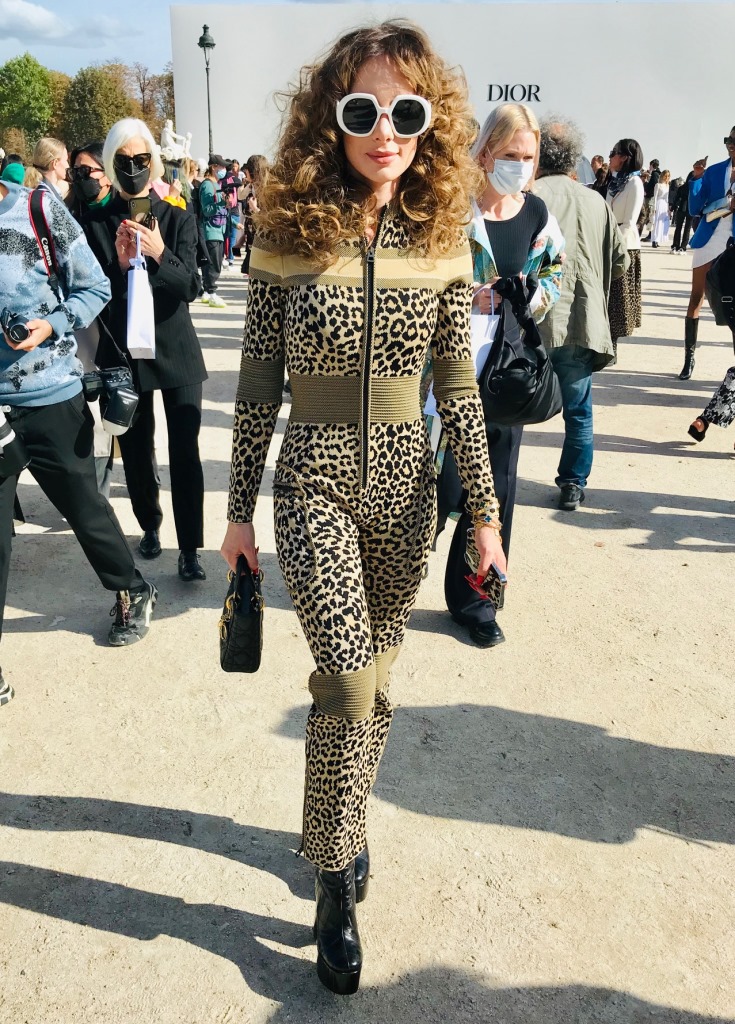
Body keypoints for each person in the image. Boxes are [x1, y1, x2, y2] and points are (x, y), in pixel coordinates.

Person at [221, 21, 505, 995]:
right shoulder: (286, 230)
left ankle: (339, 824)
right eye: (363, 110)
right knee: (344, 681)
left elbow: (457, 384)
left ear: (431, 122)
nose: (386, 131)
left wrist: (483, 515)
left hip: (406, 492)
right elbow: (257, 381)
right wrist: (239, 511)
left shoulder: (442, 235)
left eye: (406, 111)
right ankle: (335, 877)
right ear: (330, 119)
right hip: (314, 483)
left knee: (376, 688)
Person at [0, 168, 159, 704]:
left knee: (83, 506)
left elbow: (94, 287)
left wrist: (51, 324)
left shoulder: (37, 210)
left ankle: (132, 589)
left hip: (50, 395)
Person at [439, 102, 563, 648]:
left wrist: (526, 295)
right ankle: (392, 578)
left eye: (529, 156)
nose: (521, 165)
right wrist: (461, 296)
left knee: (497, 490)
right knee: (435, 483)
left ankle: (478, 600)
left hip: (505, 374)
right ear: (486, 153)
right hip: (442, 370)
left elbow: (554, 276)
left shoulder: (536, 215)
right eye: (512, 154)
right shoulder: (450, 209)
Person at [78, 118, 208, 582]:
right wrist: (117, 265)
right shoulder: (95, 223)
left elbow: (191, 286)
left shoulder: (177, 217)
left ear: (153, 162)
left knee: (185, 450)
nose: (132, 167)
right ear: (110, 164)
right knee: (135, 447)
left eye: (140, 159)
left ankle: (190, 548)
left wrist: (157, 252)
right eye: (123, 160)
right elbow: (93, 295)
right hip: (124, 353)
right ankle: (149, 524)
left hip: (175, 350)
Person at [534, 117, 629, 510]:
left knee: (507, 403)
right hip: (582, 319)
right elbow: (622, 261)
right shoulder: (596, 202)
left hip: (533, 321)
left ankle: (491, 481)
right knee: (579, 411)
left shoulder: (528, 196)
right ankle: (573, 484)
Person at [65, 140, 118, 497]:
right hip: (83, 326)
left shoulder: (124, 214)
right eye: (75, 172)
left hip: (116, 325)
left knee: (121, 408)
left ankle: (141, 470)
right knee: (91, 405)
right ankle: (96, 489)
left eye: (87, 171)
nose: (80, 178)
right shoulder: (68, 214)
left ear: (107, 174)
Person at [678, 130, 735, 380]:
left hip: (733, 242)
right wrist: (697, 178)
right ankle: (688, 359)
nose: (731, 145)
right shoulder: (714, 171)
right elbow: (694, 208)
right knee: (695, 297)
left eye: (734, 142)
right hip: (709, 238)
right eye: (728, 141)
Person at [606, 138, 644, 359]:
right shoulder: (615, 182)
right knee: (608, 297)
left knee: (619, 299)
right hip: (609, 240)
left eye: (614, 153)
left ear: (624, 158)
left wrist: (613, 243)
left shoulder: (634, 183)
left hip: (624, 246)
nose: (610, 157)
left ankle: (613, 345)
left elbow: (630, 222)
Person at [197, 154, 228, 307]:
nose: (224, 170)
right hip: (211, 231)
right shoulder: (208, 185)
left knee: (214, 263)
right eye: (222, 166)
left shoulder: (216, 184)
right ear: (214, 167)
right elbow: (207, 209)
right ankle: (211, 293)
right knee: (213, 264)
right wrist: (221, 203)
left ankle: (207, 292)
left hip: (218, 230)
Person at [239, 154, 268, 277]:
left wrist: (255, 209)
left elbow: (269, 217)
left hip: (263, 237)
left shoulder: (267, 189)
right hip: (253, 232)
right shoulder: (253, 186)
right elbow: (240, 196)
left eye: (247, 170)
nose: (245, 173)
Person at [671, 159, 706, 255]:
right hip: (690, 209)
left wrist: (673, 207)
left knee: (678, 228)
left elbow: (676, 199)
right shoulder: (694, 187)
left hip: (681, 208)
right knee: (687, 229)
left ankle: (675, 246)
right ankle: (683, 247)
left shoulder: (682, 187)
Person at [639, 158, 660, 239]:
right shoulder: (657, 174)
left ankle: (650, 234)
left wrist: (646, 185)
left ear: (652, 165)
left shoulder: (654, 174)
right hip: (651, 197)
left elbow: (653, 186)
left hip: (650, 197)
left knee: (648, 216)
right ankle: (650, 234)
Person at [650, 169, 671, 248]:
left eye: (668, 176)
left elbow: (667, 198)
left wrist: (668, 208)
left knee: (662, 223)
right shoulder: (658, 185)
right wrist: (654, 207)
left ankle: (658, 239)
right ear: (662, 176)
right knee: (656, 223)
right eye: (665, 176)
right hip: (658, 204)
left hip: (664, 205)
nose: (667, 177)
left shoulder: (667, 186)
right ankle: (654, 240)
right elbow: (655, 197)